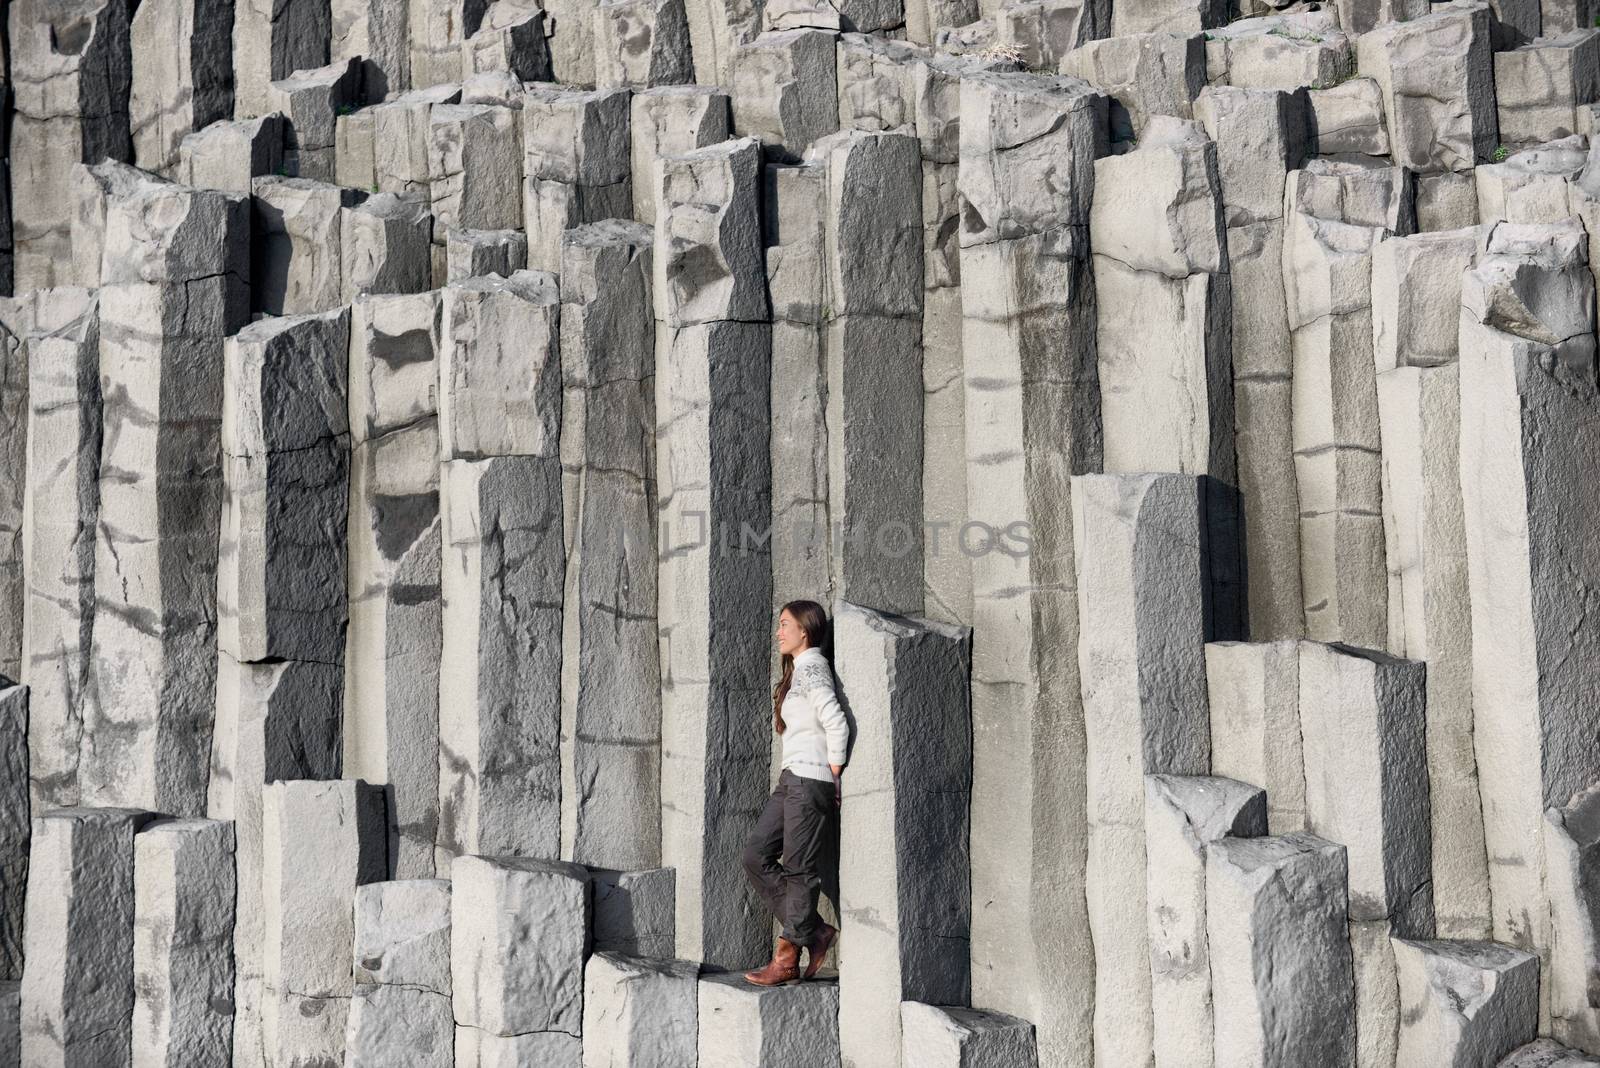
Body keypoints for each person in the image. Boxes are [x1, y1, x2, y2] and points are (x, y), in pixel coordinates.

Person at [740, 599, 848, 985]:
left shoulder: (813, 667)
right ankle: (815, 930)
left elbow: (836, 721)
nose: (778, 632)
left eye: (785, 624)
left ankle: (787, 959)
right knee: (756, 855)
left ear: (805, 630)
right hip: (793, 778)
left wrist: (833, 773)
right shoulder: (800, 671)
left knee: (800, 870)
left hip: (810, 779)